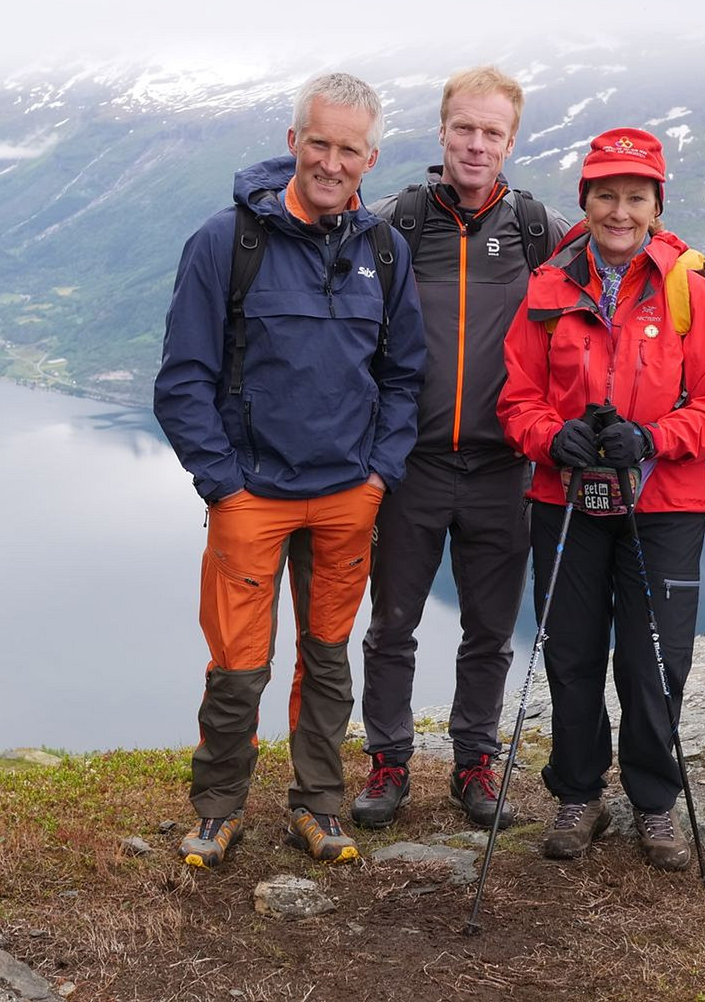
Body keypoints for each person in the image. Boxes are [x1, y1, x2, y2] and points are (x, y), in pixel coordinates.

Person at [153, 72, 426, 868]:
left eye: (349, 148)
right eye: (319, 142)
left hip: (348, 495)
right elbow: (181, 380)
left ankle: (319, 805)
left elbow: (404, 375)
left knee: (329, 656)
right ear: (292, 143)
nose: (331, 161)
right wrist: (224, 483)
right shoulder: (226, 242)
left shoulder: (384, 248)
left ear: (370, 157)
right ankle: (217, 808)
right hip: (254, 498)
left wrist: (379, 473)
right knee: (239, 667)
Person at [497, 128, 705, 870]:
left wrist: (656, 437)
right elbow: (516, 399)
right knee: (570, 653)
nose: (619, 210)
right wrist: (552, 438)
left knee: (653, 661)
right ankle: (579, 795)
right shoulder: (547, 292)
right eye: (605, 194)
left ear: (656, 205)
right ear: (586, 199)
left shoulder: (688, 291)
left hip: (664, 502)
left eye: (636, 196)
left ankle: (655, 802)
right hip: (565, 497)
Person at [351, 66, 568, 830]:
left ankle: (474, 764)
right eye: (464, 129)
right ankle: (388, 764)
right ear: (441, 133)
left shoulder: (537, 230)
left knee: (489, 630)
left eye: (493, 132)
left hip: (505, 467)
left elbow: (620, 255)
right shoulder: (397, 223)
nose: (477, 145)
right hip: (411, 464)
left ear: (512, 140)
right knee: (392, 624)